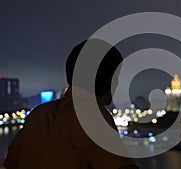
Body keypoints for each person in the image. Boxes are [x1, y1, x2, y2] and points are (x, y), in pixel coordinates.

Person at [4, 39, 139, 169]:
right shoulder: (95, 119)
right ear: (109, 79)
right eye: (117, 75)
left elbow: (11, 162)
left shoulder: (38, 115)